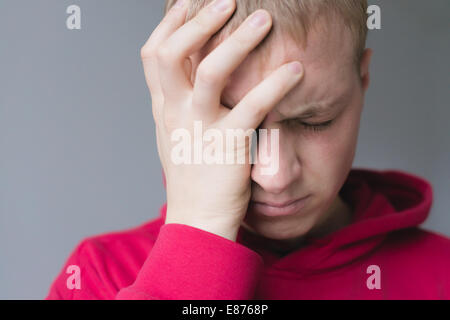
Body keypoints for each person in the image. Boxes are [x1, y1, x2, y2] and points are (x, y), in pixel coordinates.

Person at [46, 0, 450, 300]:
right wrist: (200, 231)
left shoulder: (441, 275)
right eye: (237, 127)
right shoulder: (100, 275)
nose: (275, 176)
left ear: (362, 78)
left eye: (315, 121)